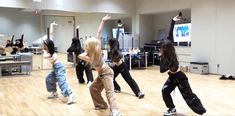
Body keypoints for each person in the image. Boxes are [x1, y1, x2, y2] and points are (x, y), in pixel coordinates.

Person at [160, 12, 206, 116]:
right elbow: (170, 34)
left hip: (180, 77)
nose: (160, 49)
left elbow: (162, 69)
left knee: (188, 95)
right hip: (172, 77)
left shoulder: (169, 57)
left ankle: (201, 110)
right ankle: (171, 109)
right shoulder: (169, 48)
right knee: (165, 91)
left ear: (165, 49)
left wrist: (162, 58)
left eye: (161, 49)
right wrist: (173, 21)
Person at [79, 15, 121, 116]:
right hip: (101, 74)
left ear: (91, 47)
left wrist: (86, 53)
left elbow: (80, 55)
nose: (85, 47)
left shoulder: (93, 54)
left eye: (86, 46)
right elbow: (98, 33)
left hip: (107, 72)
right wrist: (102, 21)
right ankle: (101, 104)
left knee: (109, 92)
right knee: (92, 88)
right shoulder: (92, 53)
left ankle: (115, 111)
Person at [43, 39, 76, 105]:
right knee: (48, 78)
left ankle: (71, 95)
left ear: (49, 46)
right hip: (55, 68)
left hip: (59, 68)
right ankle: (54, 93)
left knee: (61, 82)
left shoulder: (51, 53)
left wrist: (44, 51)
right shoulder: (48, 52)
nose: (44, 46)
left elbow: (45, 56)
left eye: (45, 45)